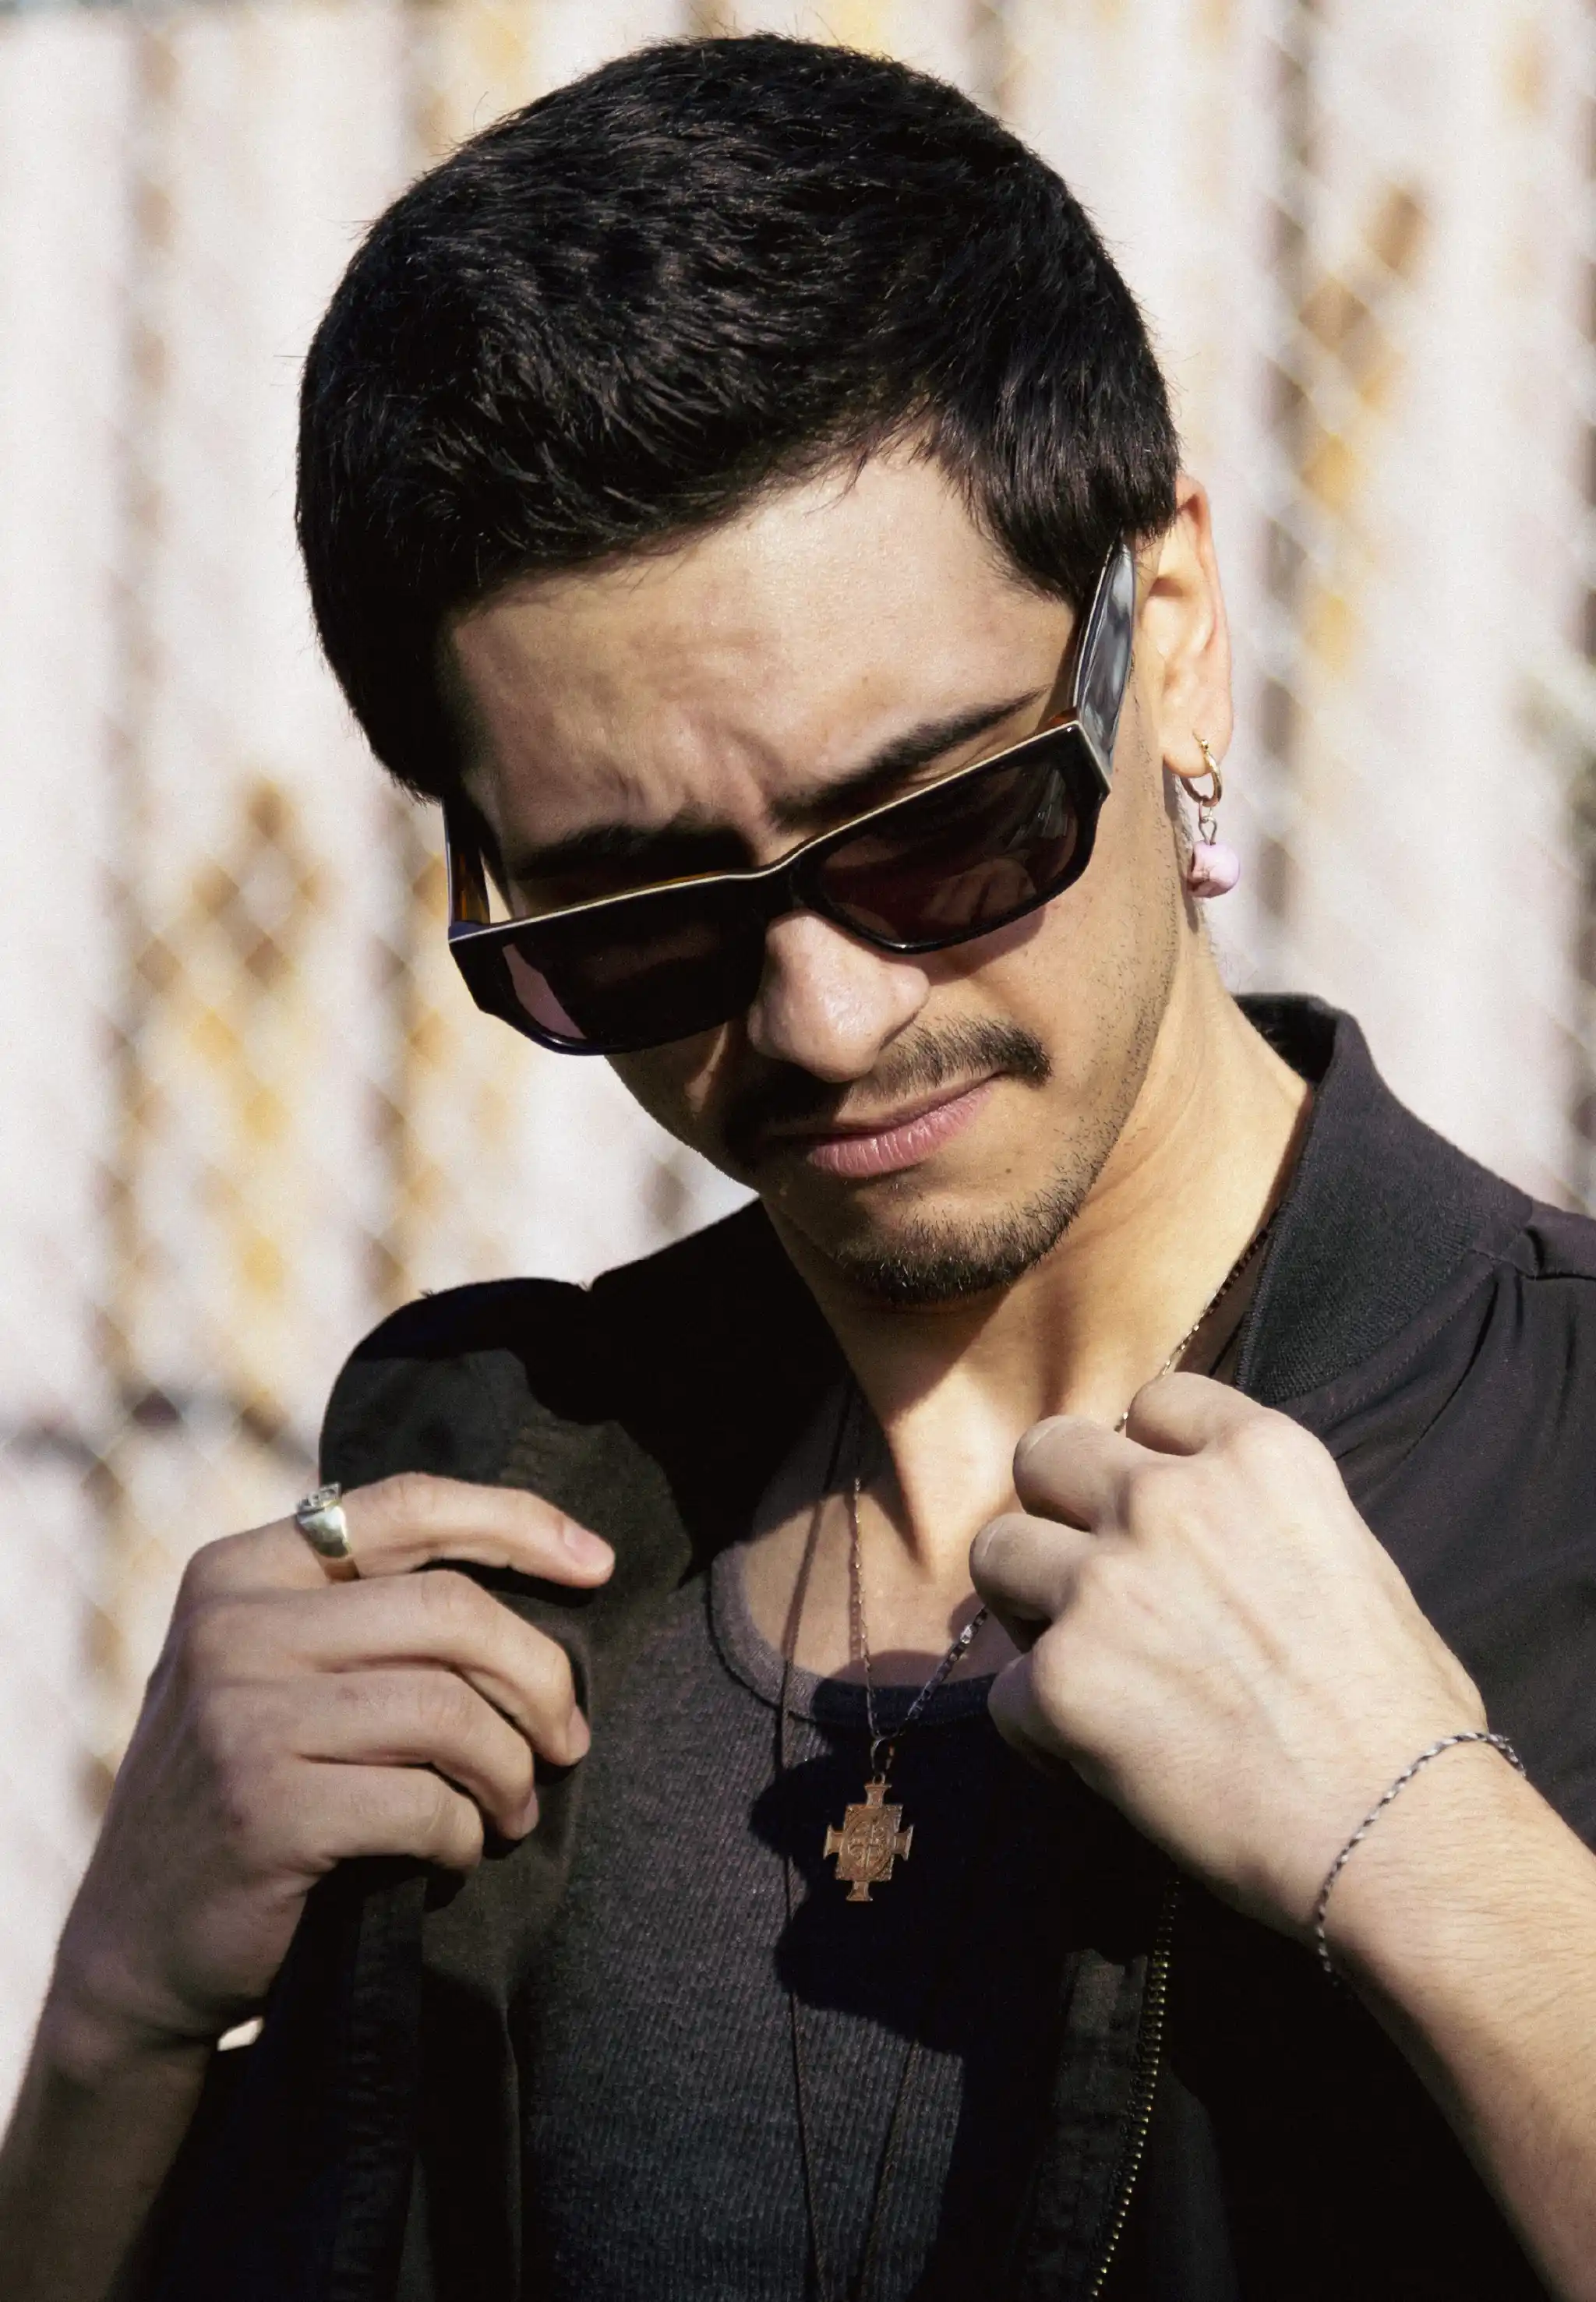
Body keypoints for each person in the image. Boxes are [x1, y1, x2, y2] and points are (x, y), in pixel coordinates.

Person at [5, 33, 1596, 2302]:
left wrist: (1429, 1846)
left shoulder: (1563, 1471)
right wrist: (116, 2026)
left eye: (947, 830)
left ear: (1170, 642)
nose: (828, 1021)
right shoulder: (494, 1546)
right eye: (640, 921)